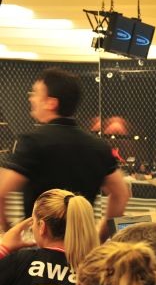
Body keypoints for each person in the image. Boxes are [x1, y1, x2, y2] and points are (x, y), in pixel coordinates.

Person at [0, 67, 130, 241]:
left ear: (51, 103)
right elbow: (121, 194)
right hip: (80, 244)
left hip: (39, 244)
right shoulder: (99, 146)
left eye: (36, 93)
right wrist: (99, 237)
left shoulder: (31, 142)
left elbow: (1, 192)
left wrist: (8, 234)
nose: (31, 98)